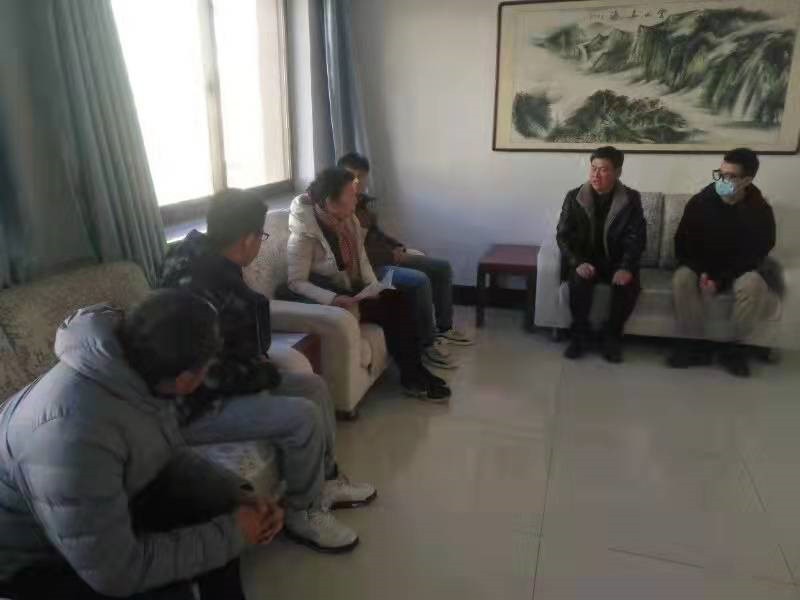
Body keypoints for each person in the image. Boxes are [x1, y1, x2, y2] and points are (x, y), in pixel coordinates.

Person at [0, 291, 280, 599]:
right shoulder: (72, 437)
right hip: (29, 559)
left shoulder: (138, 371)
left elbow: (164, 454)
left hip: (89, 510)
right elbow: (116, 573)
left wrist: (235, 493)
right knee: (172, 591)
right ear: (186, 379)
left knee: (220, 510)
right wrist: (235, 533)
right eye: (207, 367)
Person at [160, 189, 375, 553]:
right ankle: (302, 512)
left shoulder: (201, 260)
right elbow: (206, 375)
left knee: (314, 387)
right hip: (192, 407)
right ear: (247, 240)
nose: (260, 243)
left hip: (216, 387)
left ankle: (326, 480)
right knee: (302, 416)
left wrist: (257, 368)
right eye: (260, 236)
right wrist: (263, 375)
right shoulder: (201, 287)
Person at [284, 167, 452, 402]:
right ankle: (413, 377)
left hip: (350, 289)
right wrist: (333, 298)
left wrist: (375, 287)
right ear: (331, 202)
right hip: (329, 294)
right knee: (394, 307)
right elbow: (296, 282)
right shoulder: (304, 233)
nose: (357, 199)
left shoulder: (349, 220)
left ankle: (414, 372)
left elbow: (361, 259)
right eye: (351, 195)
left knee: (398, 299)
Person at [337, 152, 473, 372]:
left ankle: (444, 329)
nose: (358, 182)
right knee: (419, 280)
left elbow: (376, 234)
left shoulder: (361, 203)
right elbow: (355, 252)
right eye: (353, 177)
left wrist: (397, 245)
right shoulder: (339, 207)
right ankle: (427, 344)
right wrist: (392, 256)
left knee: (441, 267)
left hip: (385, 258)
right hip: (369, 269)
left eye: (362, 177)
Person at [668, 148, 778, 377]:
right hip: (701, 267)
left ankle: (734, 349)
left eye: (730, 176)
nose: (722, 180)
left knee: (754, 284)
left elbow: (755, 255)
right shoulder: (700, 202)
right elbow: (683, 245)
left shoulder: (761, 211)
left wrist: (719, 280)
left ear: (747, 180)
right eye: (720, 173)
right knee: (681, 278)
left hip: (738, 271)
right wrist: (701, 272)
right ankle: (694, 346)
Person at [556, 146, 646, 363]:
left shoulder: (630, 199)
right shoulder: (575, 197)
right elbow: (563, 235)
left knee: (627, 284)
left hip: (616, 261)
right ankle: (579, 335)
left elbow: (636, 238)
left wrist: (625, 267)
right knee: (578, 280)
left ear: (618, 172)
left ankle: (611, 337)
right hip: (585, 260)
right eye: (593, 168)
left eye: (603, 170)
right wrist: (576, 262)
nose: (596, 175)